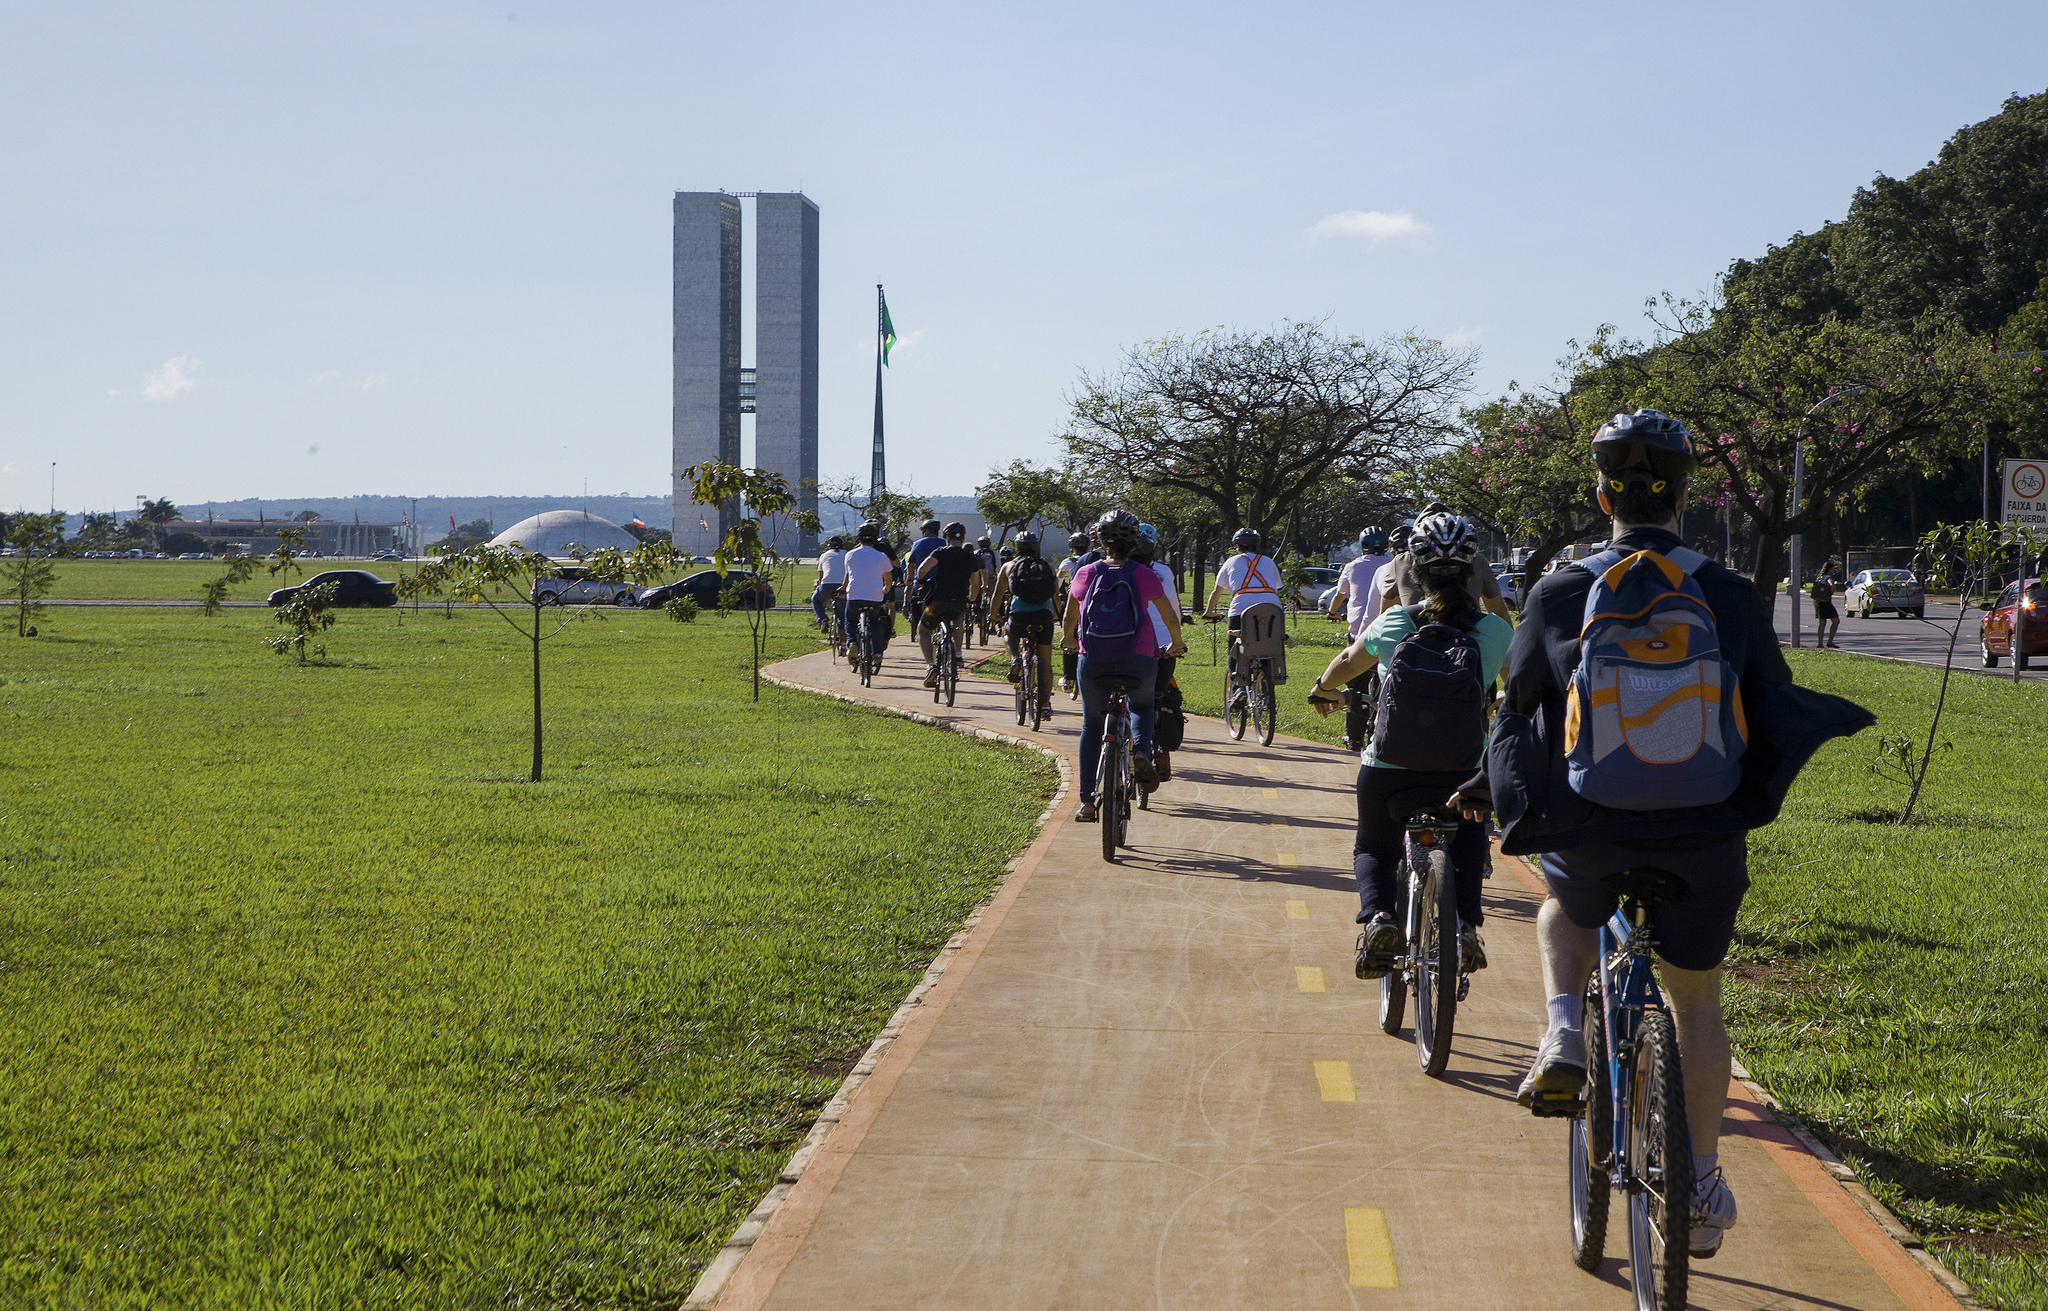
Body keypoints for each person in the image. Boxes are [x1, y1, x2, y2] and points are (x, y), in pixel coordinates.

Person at [1495, 409, 1873, 1261]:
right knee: (1695, 997)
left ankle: (1561, 1028)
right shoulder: (1730, 594)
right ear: (1687, 494)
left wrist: (1512, 805)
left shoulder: (1557, 591)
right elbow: (1770, 703)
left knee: (1565, 903)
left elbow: (1518, 708)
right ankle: (1699, 1179)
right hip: (1704, 830)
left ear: (1602, 496)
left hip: (1592, 826)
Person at [1351, 511, 1510, 981]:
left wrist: (1321, 686)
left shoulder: (1395, 621)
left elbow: (1346, 663)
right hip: (1464, 770)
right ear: (1471, 572)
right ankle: (1463, 926)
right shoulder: (1496, 633)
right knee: (1469, 836)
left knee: (1374, 847)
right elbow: (1520, 687)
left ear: (1413, 572)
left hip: (1389, 767)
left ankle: (1379, 918)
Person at [1062, 510, 1185, 822]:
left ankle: (1087, 802)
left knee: (1092, 725)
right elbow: (1169, 616)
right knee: (1142, 707)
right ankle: (1141, 751)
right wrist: (1176, 643)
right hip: (1138, 658)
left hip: (1093, 661)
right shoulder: (1144, 575)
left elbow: (1069, 618)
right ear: (1135, 544)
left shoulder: (1086, 572)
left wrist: (1068, 641)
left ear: (1101, 542)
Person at [1323, 528, 1393, 750]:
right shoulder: (1393, 563)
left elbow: (1340, 595)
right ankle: (1381, 731)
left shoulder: (1352, 566)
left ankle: (1354, 737)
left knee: (1355, 684)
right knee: (1386, 683)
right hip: (1387, 634)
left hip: (1358, 635)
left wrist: (1333, 612)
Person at [1202, 529, 1288, 710]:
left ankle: (1238, 689)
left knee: (1234, 649)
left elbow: (1216, 592)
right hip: (1272, 610)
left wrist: (1209, 612)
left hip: (1240, 611)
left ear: (1236, 546)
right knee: (1269, 647)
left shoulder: (1230, 562)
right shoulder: (1268, 562)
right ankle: (1266, 693)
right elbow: (1276, 589)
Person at [1133, 523, 1183, 783]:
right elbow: (1173, 609)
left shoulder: (1117, 571)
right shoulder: (1162, 573)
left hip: (1123, 646)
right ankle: (1162, 753)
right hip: (1163, 644)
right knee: (1160, 696)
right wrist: (1177, 641)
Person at [990, 530, 1059, 720]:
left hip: (1019, 616)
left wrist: (992, 614)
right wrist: (1054, 616)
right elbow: (1054, 596)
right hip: (1044, 616)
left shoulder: (1009, 567)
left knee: (1009, 634)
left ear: (1017, 549)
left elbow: (997, 594)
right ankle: (1044, 705)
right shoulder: (1047, 567)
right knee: (1045, 662)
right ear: (1036, 547)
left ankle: (1014, 659)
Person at [914, 522, 985, 687]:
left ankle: (931, 666)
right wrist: (972, 600)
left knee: (923, 631)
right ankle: (958, 654)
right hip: (959, 601)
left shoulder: (940, 552)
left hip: (937, 602)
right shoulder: (970, 558)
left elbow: (923, 568)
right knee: (958, 619)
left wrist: (921, 581)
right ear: (964, 538)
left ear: (946, 537)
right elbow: (975, 585)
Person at [842, 522, 899, 666]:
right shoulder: (881, 556)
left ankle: (852, 642)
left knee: (850, 619)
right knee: (874, 621)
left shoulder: (849, 554)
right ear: (875, 539)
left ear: (858, 538)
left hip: (854, 595)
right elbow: (888, 578)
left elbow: (848, 575)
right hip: (875, 596)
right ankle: (878, 652)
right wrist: (885, 589)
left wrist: (843, 588)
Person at [1056, 530, 1092, 698]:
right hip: (1089, 602)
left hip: (1073, 601)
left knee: (1068, 636)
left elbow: (1058, 581)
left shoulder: (1067, 562)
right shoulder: (1093, 560)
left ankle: (1068, 679)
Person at [812, 535, 848, 641]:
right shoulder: (847, 554)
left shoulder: (824, 556)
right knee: (842, 615)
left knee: (815, 599)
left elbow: (821, 575)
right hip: (842, 587)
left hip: (826, 586)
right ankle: (843, 644)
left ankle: (823, 619)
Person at [1810, 568, 1841, 648]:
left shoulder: (1820, 577)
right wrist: (1831, 593)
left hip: (1819, 602)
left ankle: (1820, 644)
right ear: (1829, 569)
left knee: (1822, 624)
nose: (1833, 570)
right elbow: (1832, 585)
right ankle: (1830, 642)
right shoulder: (1828, 577)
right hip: (1826, 602)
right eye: (1833, 568)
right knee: (1836, 621)